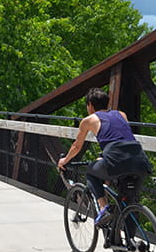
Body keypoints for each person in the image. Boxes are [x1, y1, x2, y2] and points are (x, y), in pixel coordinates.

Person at [57, 87, 151, 227]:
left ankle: (103, 208)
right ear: (107, 103)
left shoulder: (89, 120)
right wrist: (103, 156)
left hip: (117, 162)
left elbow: (77, 146)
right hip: (140, 160)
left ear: (90, 105)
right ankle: (129, 244)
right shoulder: (121, 114)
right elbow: (119, 138)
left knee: (91, 171)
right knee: (128, 202)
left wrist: (65, 160)